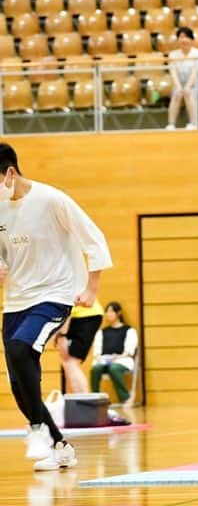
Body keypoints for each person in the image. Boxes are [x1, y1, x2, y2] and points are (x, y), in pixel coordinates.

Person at [0, 142, 112, 471]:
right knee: (19, 381)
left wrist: (91, 287)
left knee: (21, 350)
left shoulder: (53, 200)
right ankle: (60, 445)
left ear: (9, 173)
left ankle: (36, 429)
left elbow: (95, 238)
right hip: (16, 299)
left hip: (55, 294)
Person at [89, 302, 138, 405]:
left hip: (121, 360)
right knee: (96, 369)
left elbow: (129, 351)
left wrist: (118, 357)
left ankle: (125, 399)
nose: (108, 314)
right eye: (107, 311)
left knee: (114, 368)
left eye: (111, 311)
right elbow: (97, 352)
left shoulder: (129, 330)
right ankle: (95, 398)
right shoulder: (102, 332)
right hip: (104, 360)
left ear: (118, 313)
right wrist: (102, 358)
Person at [55, 299, 103, 393]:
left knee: (71, 361)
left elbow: (66, 304)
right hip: (82, 316)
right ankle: (74, 401)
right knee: (67, 362)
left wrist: (62, 334)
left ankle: (83, 402)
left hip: (84, 316)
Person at [165, 27, 198, 130]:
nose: (184, 40)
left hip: (197, 85)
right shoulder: (173, 54)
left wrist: (187, 86)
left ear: (192, 40)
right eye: (181, 37)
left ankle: (193, 123)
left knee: (188, 93)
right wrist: (179, 87)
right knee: (176, 94)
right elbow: (172, 71)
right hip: (180, 84)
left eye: (186, 37)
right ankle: (171, 124)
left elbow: (195, 72)